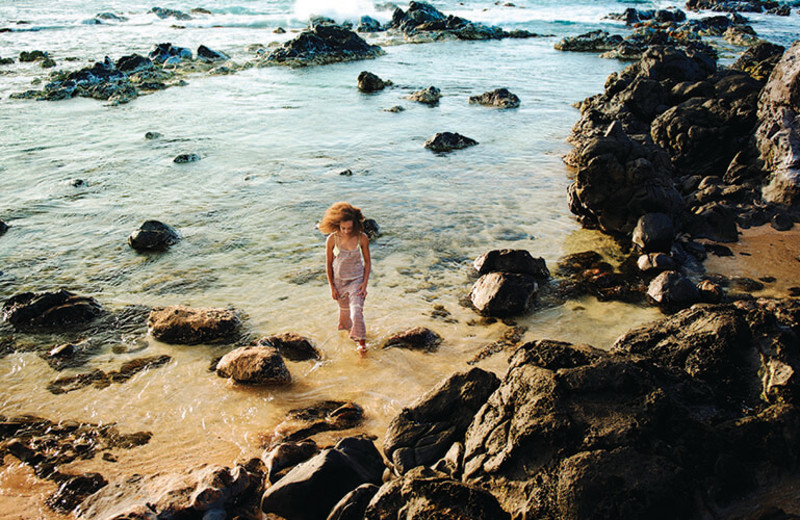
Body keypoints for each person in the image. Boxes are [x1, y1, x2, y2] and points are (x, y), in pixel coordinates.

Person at [319, 202, 371, 355]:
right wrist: (332, 287)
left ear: (355, 225)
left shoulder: (362, 238)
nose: (347, 231)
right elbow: (328, 264)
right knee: (345, 317)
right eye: (343, 228)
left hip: (357, 281)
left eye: (350, 228)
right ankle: (347, 341)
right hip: (339, 282)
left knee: (356, 312)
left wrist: (364, 284)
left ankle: (361, 344)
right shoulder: (332, 239)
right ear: (337, 225)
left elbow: (367, 262)